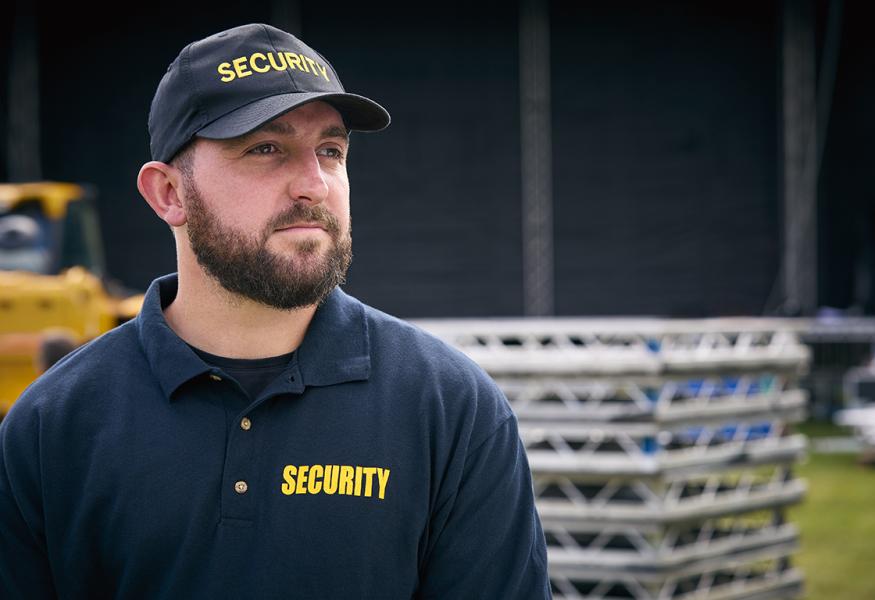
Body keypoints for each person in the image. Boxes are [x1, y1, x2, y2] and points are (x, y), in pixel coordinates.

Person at [0, 23, 551, 599]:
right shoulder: (53, 426)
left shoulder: (450, 408)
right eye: (266, 148)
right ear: (169, 193)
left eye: (331, 151)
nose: (313, 184)